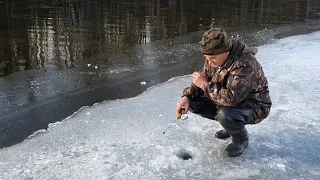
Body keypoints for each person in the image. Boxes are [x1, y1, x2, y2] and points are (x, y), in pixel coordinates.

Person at [176, 28, 272, 157]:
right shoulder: (214, 58)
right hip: (229, 100)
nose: (209, 61)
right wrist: (187, 96)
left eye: (212, 58)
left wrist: (204, 84)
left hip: (254, 106)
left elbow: (231, 99)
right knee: (193, 102)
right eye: (206, 57)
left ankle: (241, 140)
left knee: (226, 115)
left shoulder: (245, 64)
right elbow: (203, 78)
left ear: (225, 52)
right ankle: (230, 127)